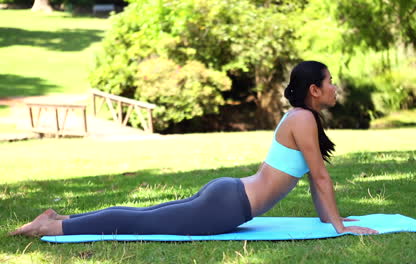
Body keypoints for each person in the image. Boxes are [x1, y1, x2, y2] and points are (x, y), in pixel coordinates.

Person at [10, 61, 378, 237]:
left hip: (229, 194)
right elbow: (321, 177)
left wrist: (332, 222)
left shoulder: (301, 118)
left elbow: (317, 183)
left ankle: (57, 220)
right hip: (229, 204)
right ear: (314, 89)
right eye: (330, 82)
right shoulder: (303, 119)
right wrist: (342, 227)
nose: (335, 87)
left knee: (144, 215)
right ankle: (49, 228)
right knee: (141, 223)